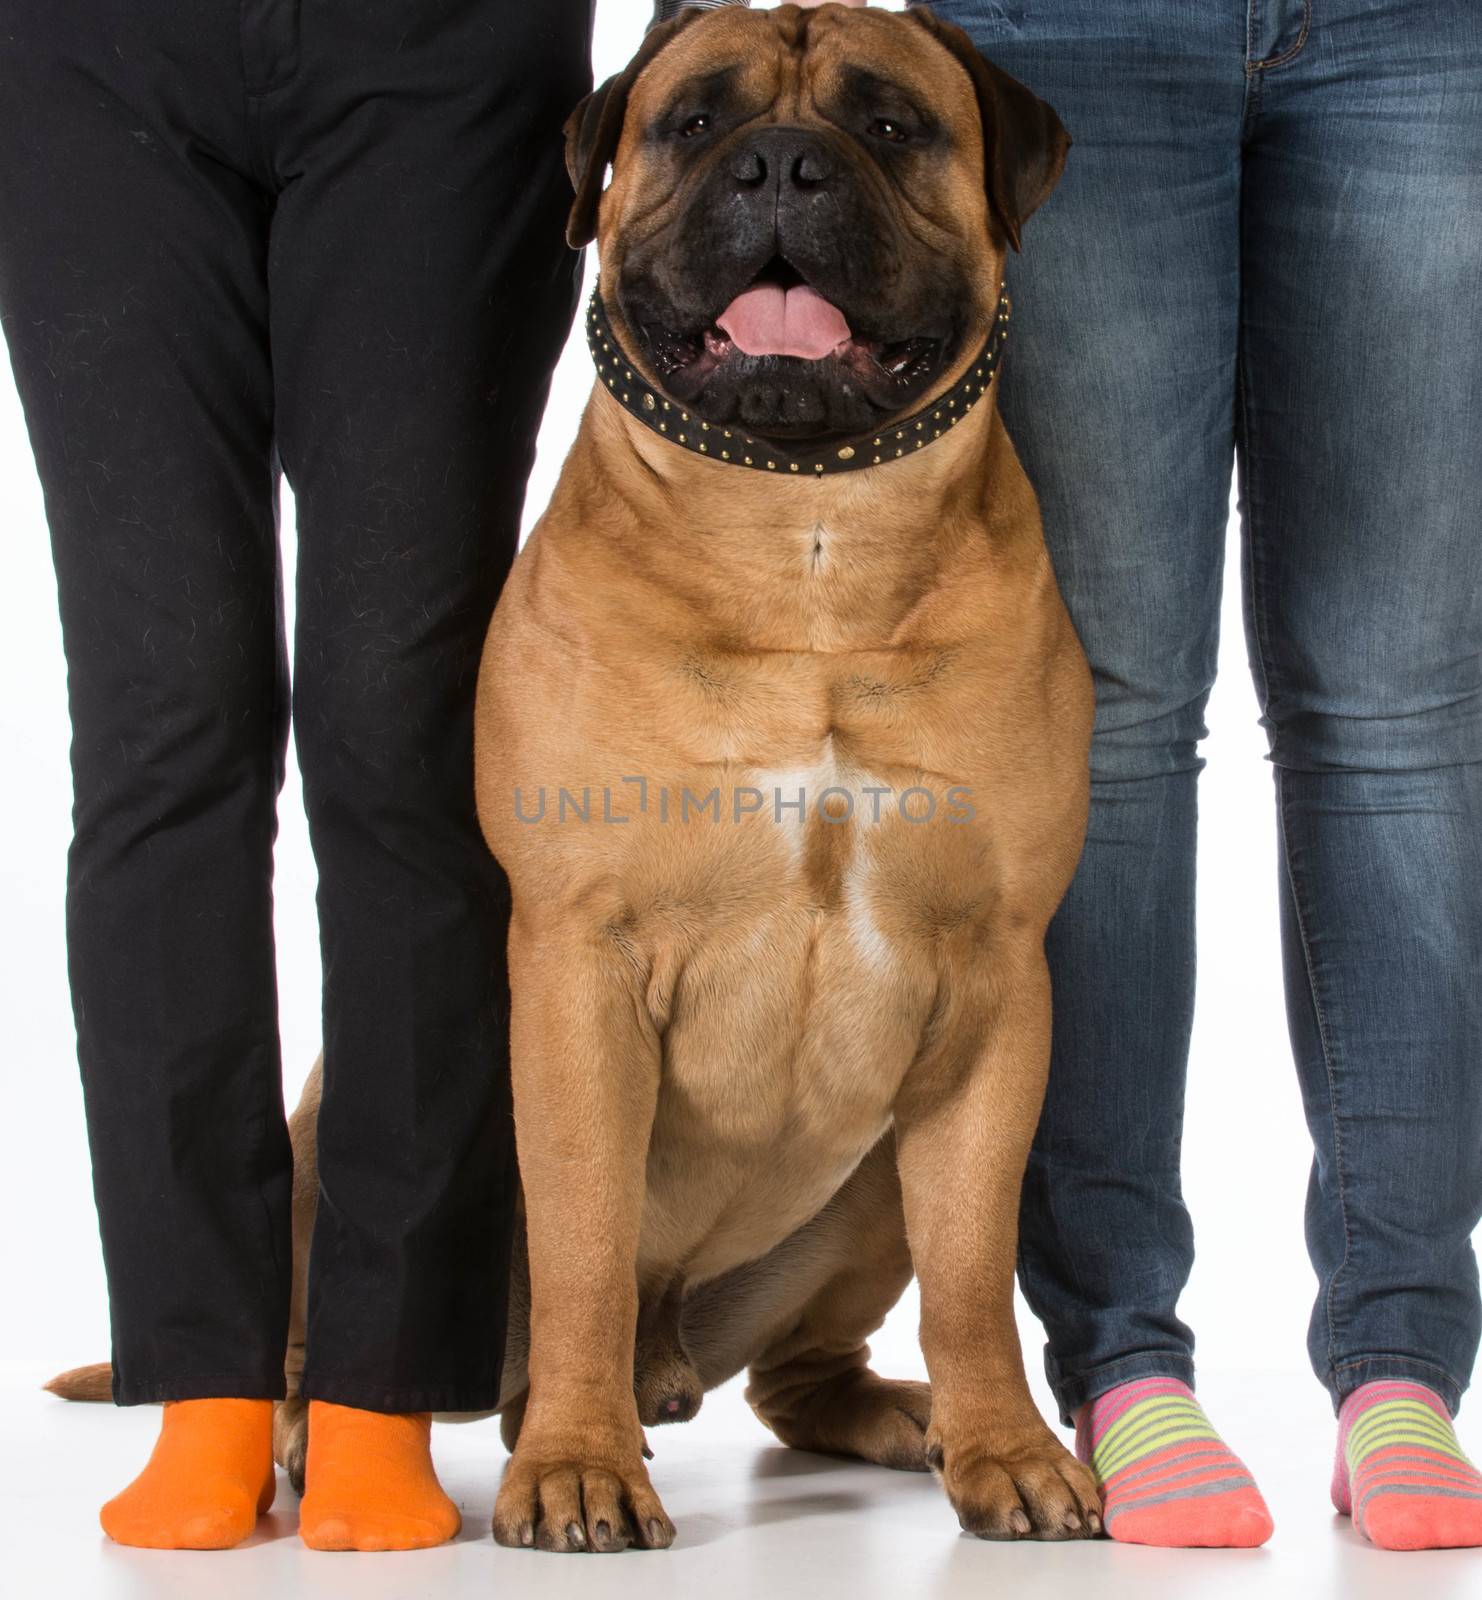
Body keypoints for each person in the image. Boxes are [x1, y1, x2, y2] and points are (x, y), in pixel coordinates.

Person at [675, 0, 1482, 1555]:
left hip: (1423, 31)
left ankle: (1401, 1366)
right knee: (1106, 721)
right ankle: (1117, 1358)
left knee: (1400, 718)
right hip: (1068, 28)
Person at [0, 0, 593, 1551]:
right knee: (161, 718)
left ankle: (378, 1388)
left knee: (400, 725)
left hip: (446, 57)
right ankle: (204, 1378)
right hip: (85, 55)